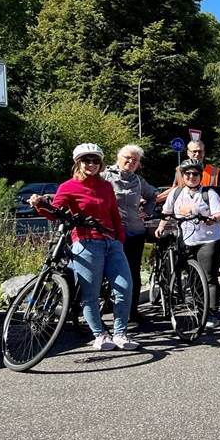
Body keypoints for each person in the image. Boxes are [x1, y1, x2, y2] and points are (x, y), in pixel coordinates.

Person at [30, 143, 137, 351]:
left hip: (111, 243)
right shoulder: (68, 186)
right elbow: (55, 212)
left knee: (125, 287)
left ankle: (120, 333)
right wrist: (39, 204)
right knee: (90, 293)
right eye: (86, 160)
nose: (91, 164)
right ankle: (100, 335)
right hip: (86, 243)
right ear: (77, 162)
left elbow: (114, 214)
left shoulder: (106, 186)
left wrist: (119, 240)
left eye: (96, 160)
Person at [158, 158, 220, 328]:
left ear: (200, 175)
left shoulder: (208, 193)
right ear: (182, 176)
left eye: (195, 173)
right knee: (193, 277)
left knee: (209, 277)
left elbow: (219, 214)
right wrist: (161, 227)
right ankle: (199, 308)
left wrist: (213, 219)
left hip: (209, 240)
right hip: (187, 240)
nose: (191, 177)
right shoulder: (175, 193)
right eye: (187, 173)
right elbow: (166, 213)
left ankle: (211, 314)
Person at [102, 144, 158, 323]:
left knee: (133, 273)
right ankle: (104, 309)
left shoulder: (139, 181)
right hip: (110, 233)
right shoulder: (104, 177)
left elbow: (153, 195)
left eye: (135, 160)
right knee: (105, 272)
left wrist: (147, 212)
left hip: (134, 233)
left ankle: (132, 310)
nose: (131, 162)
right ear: (118, 157)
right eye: (127, 158)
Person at [157, 140, 220, 235]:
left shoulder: (214, 171)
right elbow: (174, 190)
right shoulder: (180, 170)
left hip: (210, 221)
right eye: (194, 151)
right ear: (188, 153)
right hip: (185, 221)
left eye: (200, 151)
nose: (197, 154)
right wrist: (156, 199)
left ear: (204, 153)